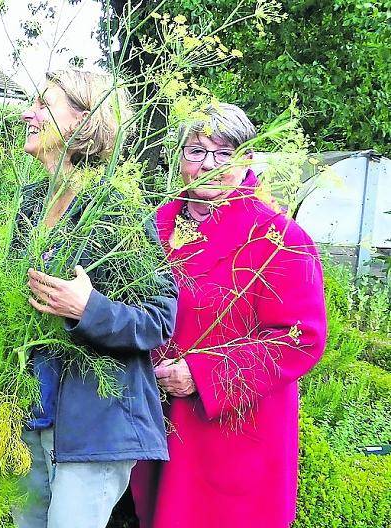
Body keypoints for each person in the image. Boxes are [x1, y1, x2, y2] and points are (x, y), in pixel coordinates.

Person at [0, 69, 177, 528]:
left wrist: (88, 309)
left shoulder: (116, 209)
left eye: (44, 104)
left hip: (93, 424)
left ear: (84, 121)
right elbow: (17, 307)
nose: (30, 114)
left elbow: (159, 318)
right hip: (30, 413)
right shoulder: (32, 203)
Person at [130, 103, 327, 528]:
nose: (209, 165)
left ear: (247, 159)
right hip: (152, 423)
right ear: (179, 157)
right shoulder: (151, 229)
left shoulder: (278, 238)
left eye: (225, 153)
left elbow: (300, 339)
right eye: (197, 151)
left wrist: (202, 374)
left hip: (231, 437)